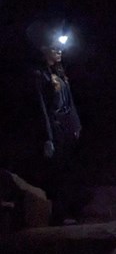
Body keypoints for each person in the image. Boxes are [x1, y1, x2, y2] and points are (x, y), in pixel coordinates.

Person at [29, 22, 82, 224]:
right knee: (57, 174)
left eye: (60, 48)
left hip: (67, 129)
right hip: (56, 130)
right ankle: (58, 216)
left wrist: (76, 125)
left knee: (70, 170)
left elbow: (70, 102)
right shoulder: (39, 75)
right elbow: (41, 108)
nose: (59, 51)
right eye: (54, 48)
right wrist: (47, 138)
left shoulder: (60, 73)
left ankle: (71, 211)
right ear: (44, 51)